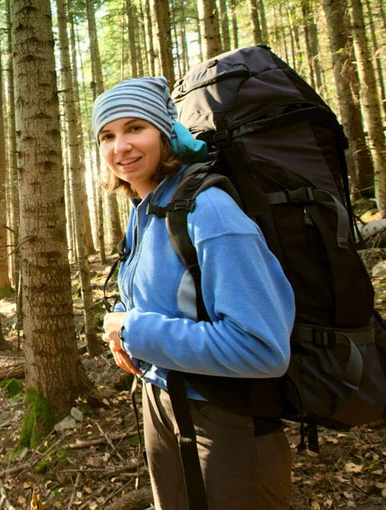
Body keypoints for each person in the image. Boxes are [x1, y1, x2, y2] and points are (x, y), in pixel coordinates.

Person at [94, 76, 295, 509]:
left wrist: (137, 331)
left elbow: (263, 348)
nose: (120, 146)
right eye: (107, 135)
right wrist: (119, 327)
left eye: (135, 128)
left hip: (227, 422)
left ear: (166, 133)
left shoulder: (209, 210)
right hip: (163, 403)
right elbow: (155, 299)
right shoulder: (146, 210)